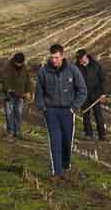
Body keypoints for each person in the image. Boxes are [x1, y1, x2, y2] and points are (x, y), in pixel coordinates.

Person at [36, 44, 87, 182]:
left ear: (62, 56)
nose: (54, 60)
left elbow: (82, 90)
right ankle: (57, 172)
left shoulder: (72, 70)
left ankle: (65, 165)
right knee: (55, 141)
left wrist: (74, 107)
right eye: (52, 58)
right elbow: (39, 92)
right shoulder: (44, 71)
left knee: (66, 140)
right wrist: (43, 108)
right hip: (51, 112)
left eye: (57, 57)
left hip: (67, 111)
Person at [75, 49, 107, 141]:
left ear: (86, 56)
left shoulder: (95, 66)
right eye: (78, 59)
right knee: (85, 114)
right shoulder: (76, 67)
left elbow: (102, 80)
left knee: (98, 115)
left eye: (81, 58)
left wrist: (103, 93)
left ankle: (102, 135)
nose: (80, 60)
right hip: (83, 94)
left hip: (95, 94)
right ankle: (88, 133)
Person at [0, 52, 32, 140]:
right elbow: (4, 81)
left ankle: (17, 131)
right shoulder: (7, 67)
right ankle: (10, 132)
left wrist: (29, 91)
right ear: (14, 61)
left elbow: (28, 80)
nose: (19, 65)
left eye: (21, 64)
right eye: (18, 63)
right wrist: (8, 89)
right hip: (9, 95)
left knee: (18, 113)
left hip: (20, 95)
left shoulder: (24, 68)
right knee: (9, 114)